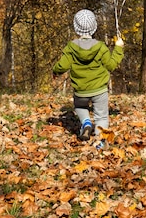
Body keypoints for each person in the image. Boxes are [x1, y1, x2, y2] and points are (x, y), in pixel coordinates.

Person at [53, 9, 124, 149]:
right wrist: (118, 48)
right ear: (95, 27)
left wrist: (55, 71)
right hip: (100, 90)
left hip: (81, 90)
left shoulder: (71, 48)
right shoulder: (101, 47)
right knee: (102, 117)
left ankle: (86, 123)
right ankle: (101, 142)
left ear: (75, 27)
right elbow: (111, 65)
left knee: (80, 106)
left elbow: (62, 65)